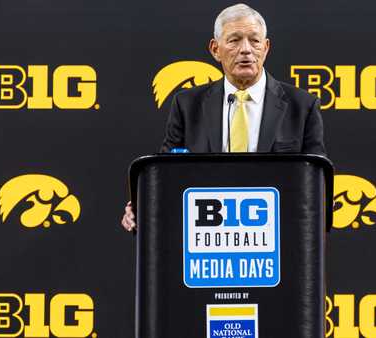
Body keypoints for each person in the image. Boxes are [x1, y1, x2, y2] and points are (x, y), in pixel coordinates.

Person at [121, 3, 326, 231]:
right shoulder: (187, 105)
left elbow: (316, 185)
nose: (246, 49)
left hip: (278, 235)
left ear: (266, 48)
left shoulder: (302, 106)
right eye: (234, 40)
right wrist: (142, 206)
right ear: (215, 49)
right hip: (208, 237)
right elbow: (167, 174)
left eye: (254, 40)